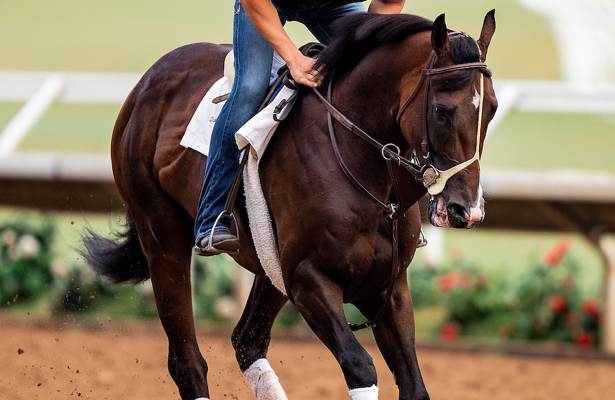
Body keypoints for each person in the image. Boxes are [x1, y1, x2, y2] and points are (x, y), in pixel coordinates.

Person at [194, 0, 406, 256]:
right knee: (250, 89)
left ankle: (396, 210)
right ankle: (211, 220)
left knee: (375, 73)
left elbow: (389, 3)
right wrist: (294, 59)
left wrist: (369, 52)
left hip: (334, 5)